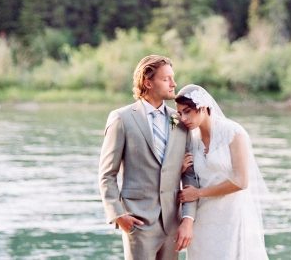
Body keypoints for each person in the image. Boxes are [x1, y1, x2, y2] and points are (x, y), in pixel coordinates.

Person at [98, 55, 198, 260]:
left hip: (172, 223)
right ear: (147, 82)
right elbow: (107, 174)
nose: (174, 84)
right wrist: (118, 215)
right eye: (166, 79)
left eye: (173, 77)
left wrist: (187, 218)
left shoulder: (179, 120)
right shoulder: (122, 118)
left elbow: (189, 176)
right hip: (138, 222)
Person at [176, 84, 269, 259]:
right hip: (203, 220)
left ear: (202, 108)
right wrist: (179, 168)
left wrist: (199, 193)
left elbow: (241, 181)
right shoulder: (191, 140)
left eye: (187, 111)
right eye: (180, 113)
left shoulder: (233, 133)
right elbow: (188, 179)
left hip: (231, 216)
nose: (183, 118)